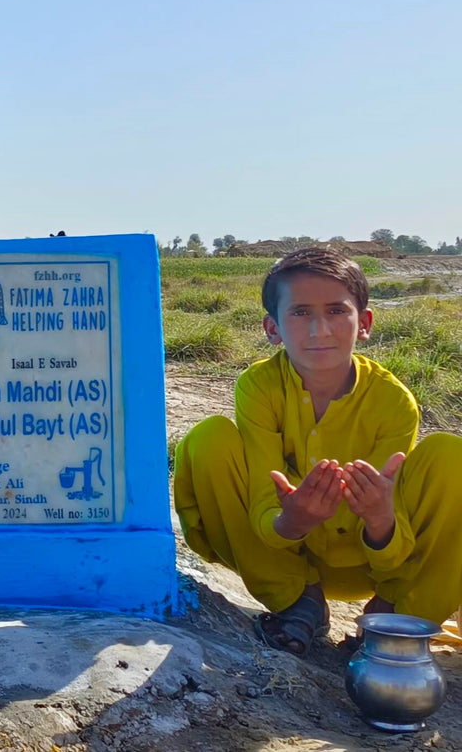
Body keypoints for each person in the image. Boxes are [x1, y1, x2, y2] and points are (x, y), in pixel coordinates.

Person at [173, 247, 462, 656]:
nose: (319, 329)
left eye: (336, 311)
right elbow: (263, 503)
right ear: (272, 328)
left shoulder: (394, 402)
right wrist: (291, 521)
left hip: (378, 560)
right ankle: (297, 601)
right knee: (208, 439)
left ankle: (395, 616)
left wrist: (380, 518)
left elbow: (393, 550)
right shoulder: (258, 387)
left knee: (452, 455)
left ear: (364, 324)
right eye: (300, 312)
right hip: (284, 552)